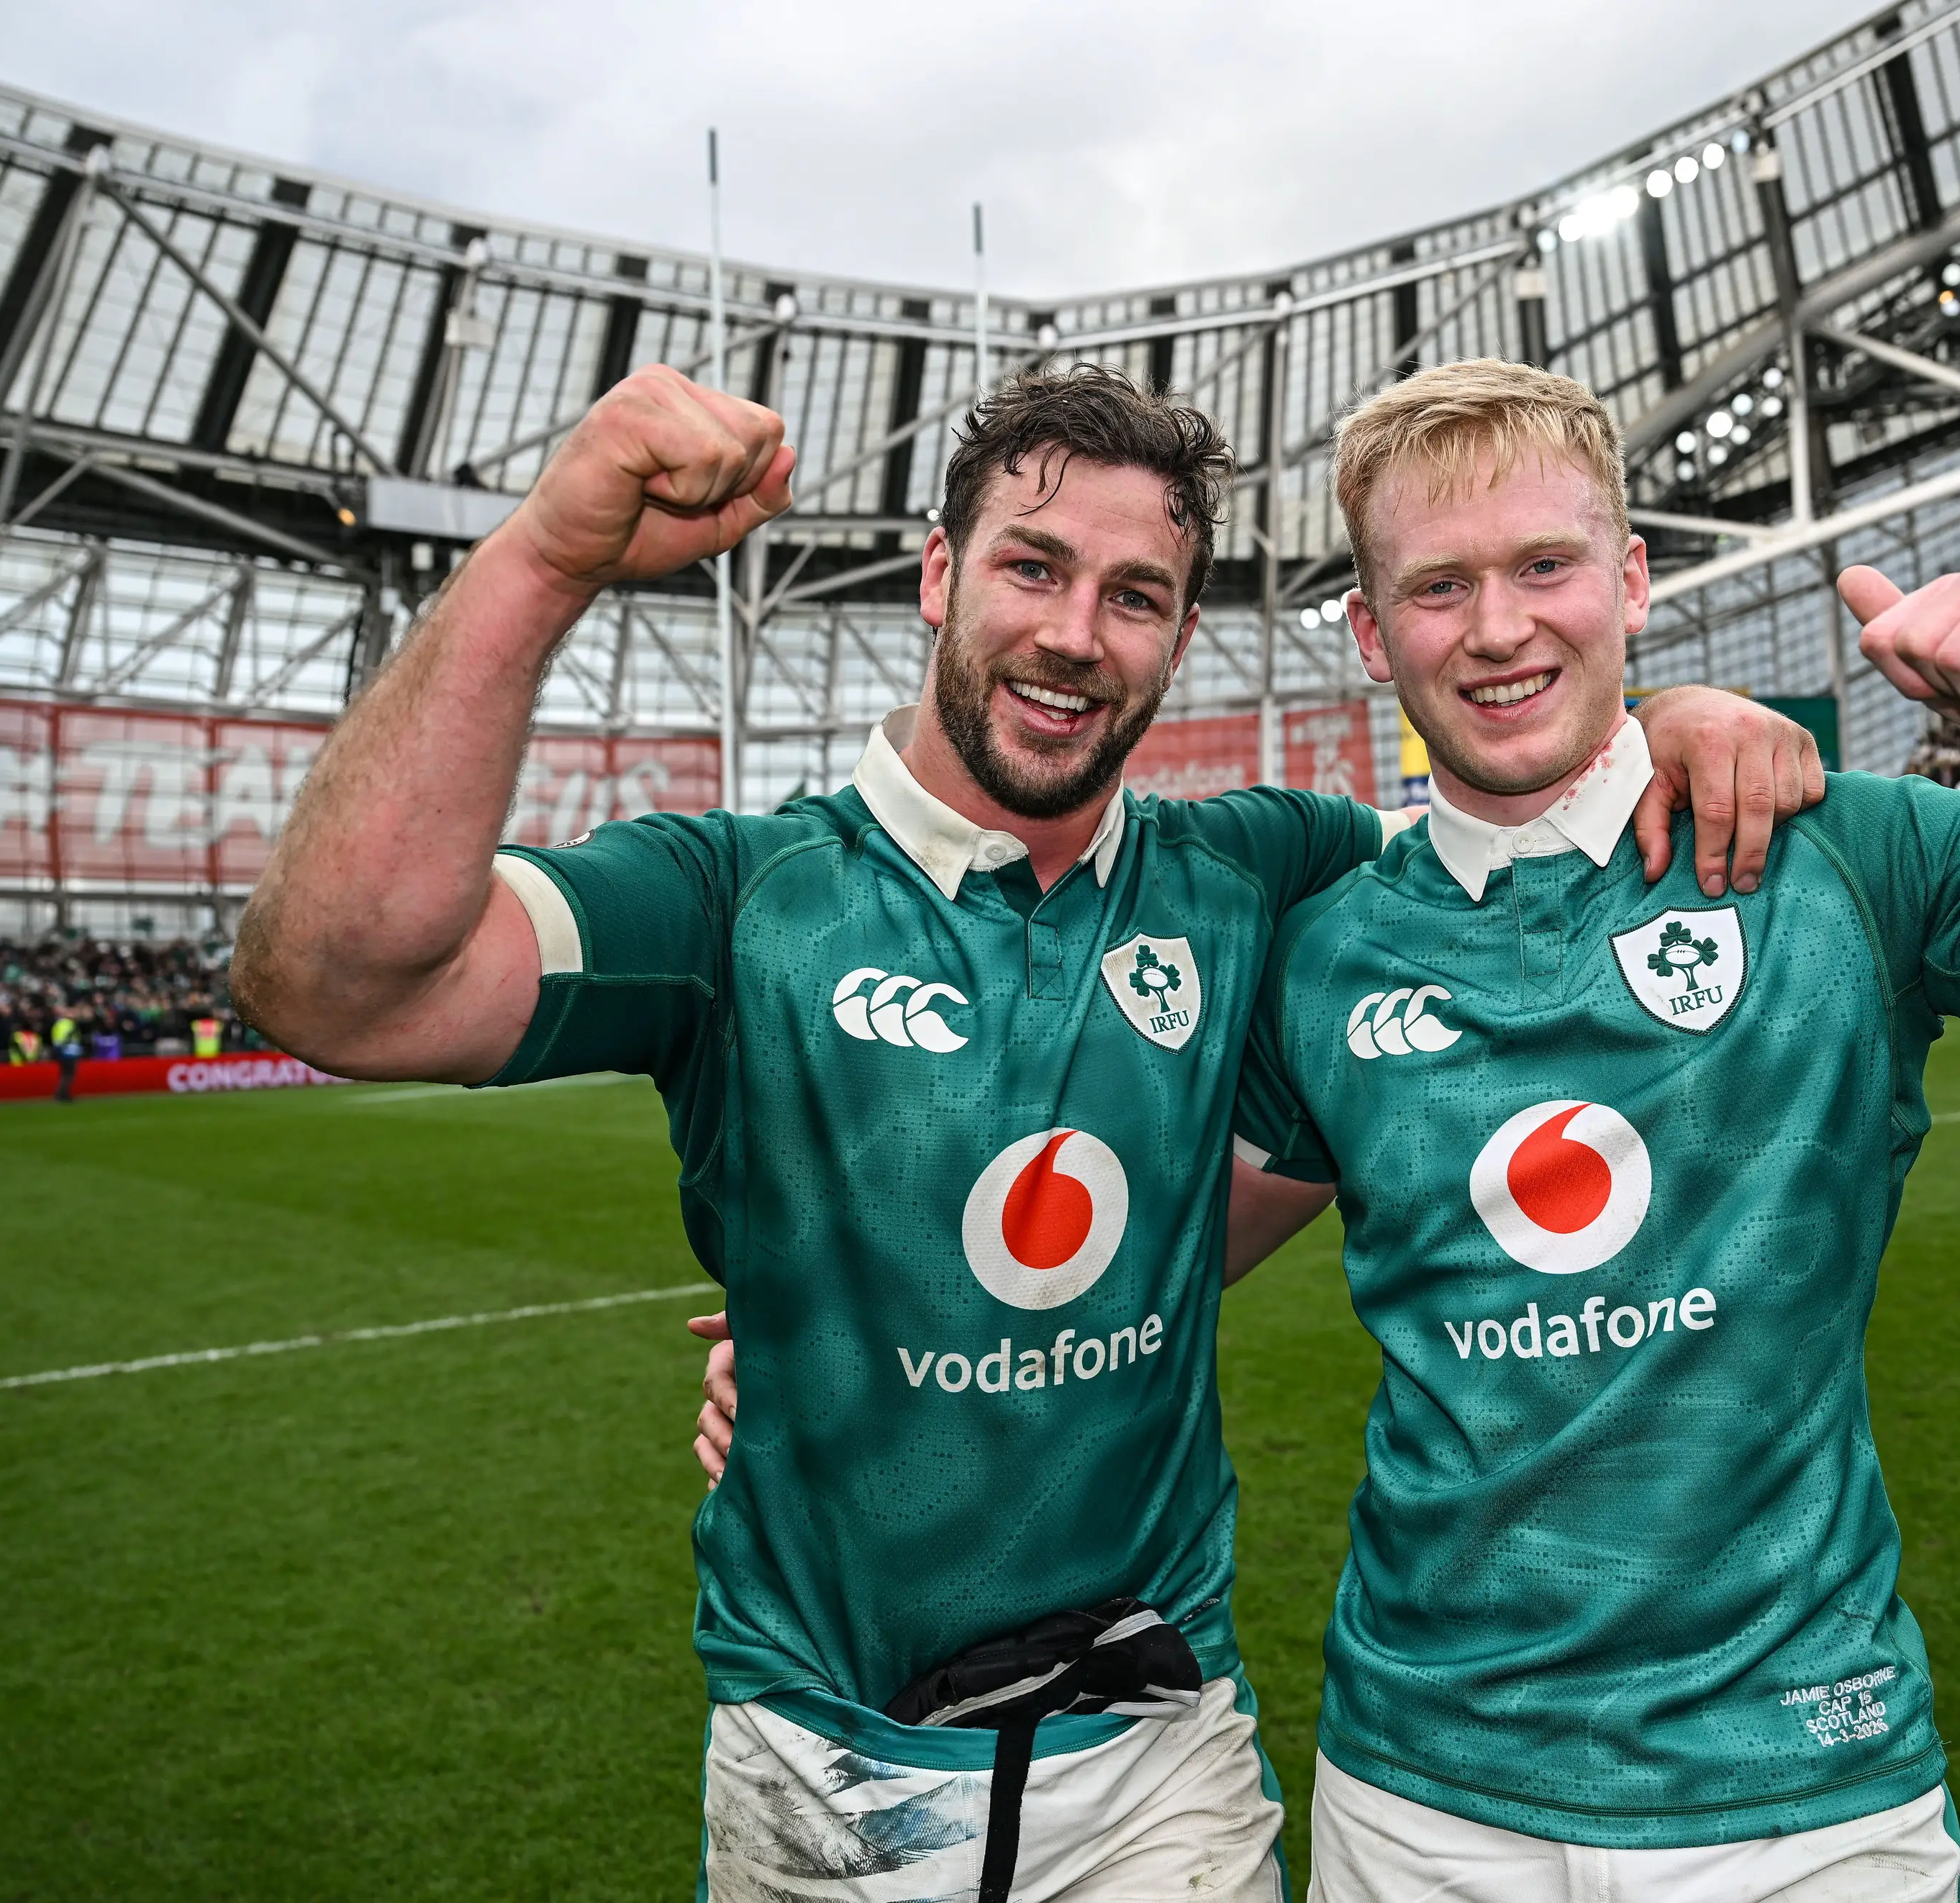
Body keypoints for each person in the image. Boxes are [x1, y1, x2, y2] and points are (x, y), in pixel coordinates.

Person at [697, 359, 1960, 1900]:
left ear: (1631, 576)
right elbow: (1155, 1240)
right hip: (1420, 1807)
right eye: (1438, 585)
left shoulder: (1864, 852)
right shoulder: (1331, 944)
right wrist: (843, 1351)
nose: (1497, 627)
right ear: (1371, 629)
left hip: (1810, 1799)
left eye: (1547, 564)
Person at [232, 357, 1820, 1903]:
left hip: (1156, 1759)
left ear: (1181, 638)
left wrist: (1676, 710)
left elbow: (1514, 796)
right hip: (826, 1774)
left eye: (1134, 596)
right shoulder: (737, 897)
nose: (1075, 635)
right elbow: (339, 985)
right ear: (938, 575)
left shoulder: (1262, 871)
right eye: (1033, 567)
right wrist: (544, 554)